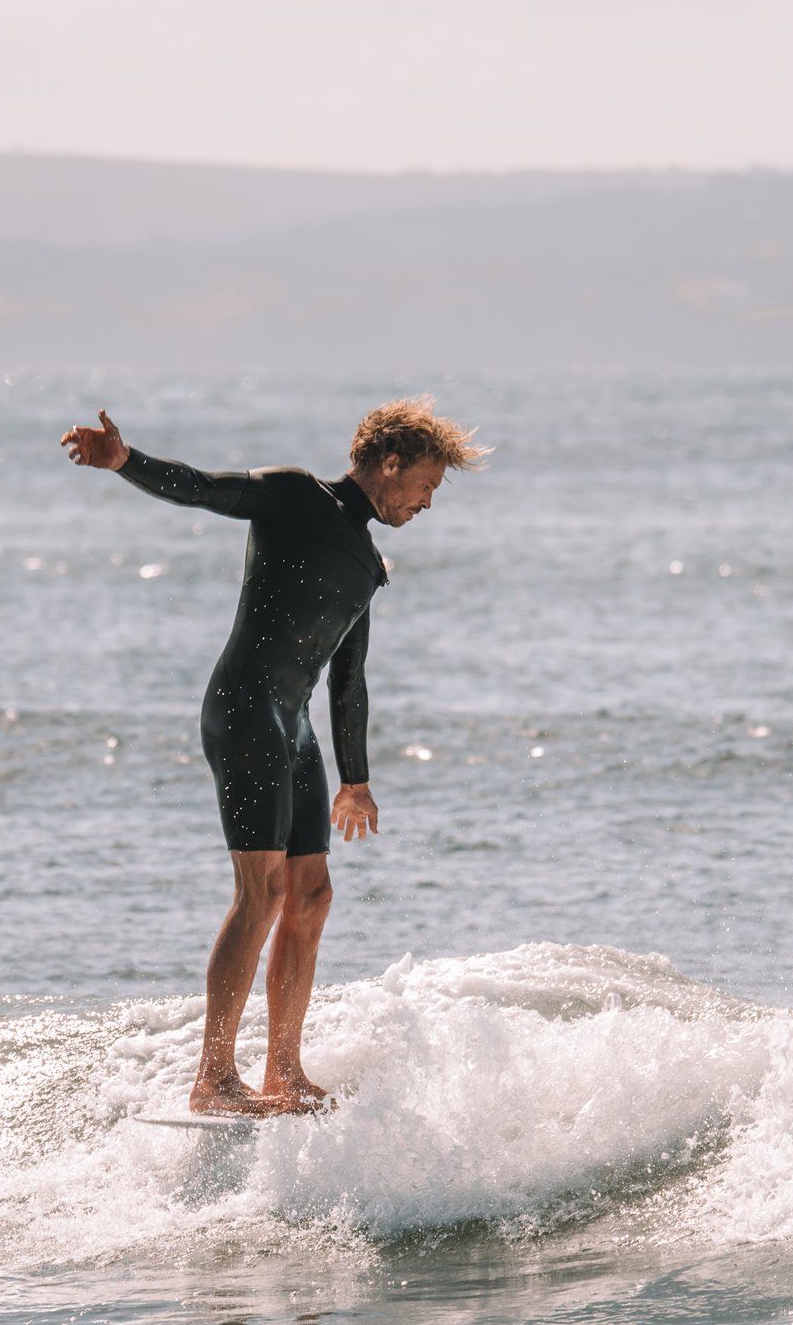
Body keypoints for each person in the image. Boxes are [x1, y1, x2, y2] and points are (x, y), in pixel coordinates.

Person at [60, 398, 486, 1114]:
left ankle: (282, 1070)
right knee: (258, 895)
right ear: (391, 464)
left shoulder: (369, 562)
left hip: (293, 727)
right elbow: (202, 486)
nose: (428, 501)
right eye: (428, 484)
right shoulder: (293, 495)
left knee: (312, 895)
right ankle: (215, 1079)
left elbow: (349, 677)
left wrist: (356, 778)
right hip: (246, 708)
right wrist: (124, 461)